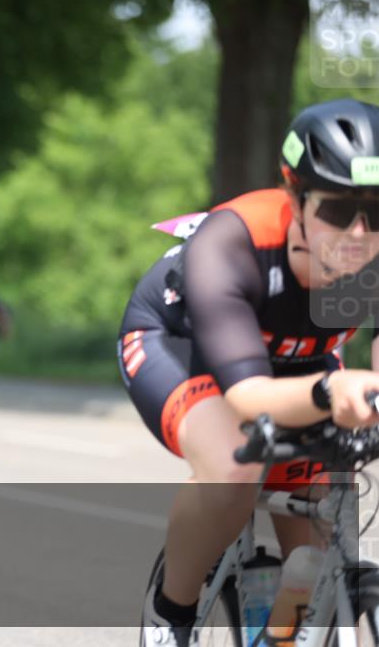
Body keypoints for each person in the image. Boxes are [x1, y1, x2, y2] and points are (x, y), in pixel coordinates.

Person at [119, 98, 379, 646]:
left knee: (317, 530)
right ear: (296, 197)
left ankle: (281, 632)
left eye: (377, 213)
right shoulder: (233, 240)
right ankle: (172, 612)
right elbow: (247, 394)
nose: (359, 235)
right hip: (186, 345)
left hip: (303, 361)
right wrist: (334, 389)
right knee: (235, 468)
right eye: (337, 211)